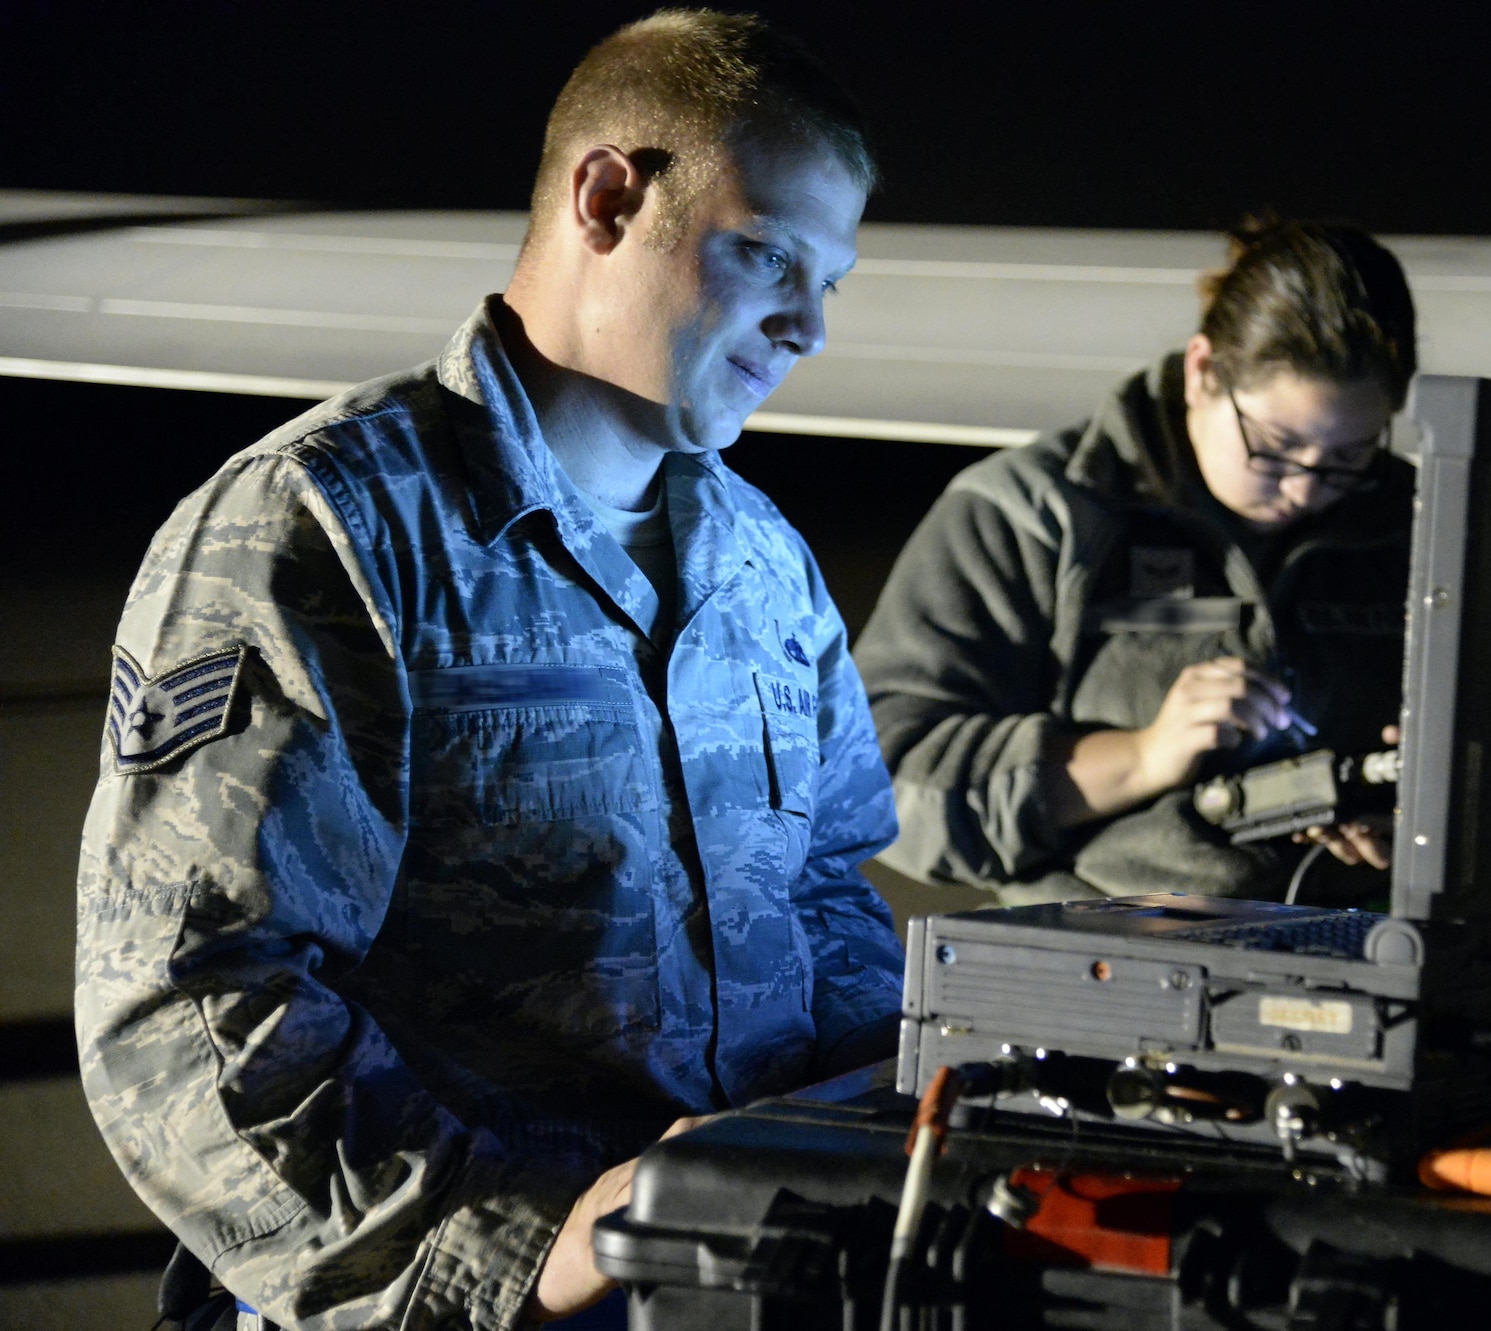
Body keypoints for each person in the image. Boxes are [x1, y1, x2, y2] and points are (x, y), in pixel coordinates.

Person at [73, 11, 903, 1328]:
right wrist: (519, 1246)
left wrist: (902, 1110)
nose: (807, 324)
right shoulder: (330, 525)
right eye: (767, 256)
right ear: (610, 196)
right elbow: (185, 1005)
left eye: (832, 281)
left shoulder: (761, 560)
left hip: (729, 1280)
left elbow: (826, 886)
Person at [853, 218, 1417, 905]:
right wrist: (1144, 755)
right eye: (1274, 445)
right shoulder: (1038, 514)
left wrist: (1414, 816)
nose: (1305, 487)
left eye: (1349, 456)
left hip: (1352, 958)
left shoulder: (1413, 526)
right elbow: (880, 786)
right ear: (1202, 371)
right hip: (1098, 966)